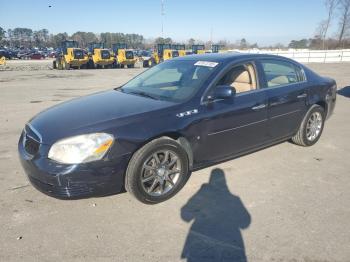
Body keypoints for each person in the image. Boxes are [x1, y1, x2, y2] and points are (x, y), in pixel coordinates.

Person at [181, 168, 251, 262]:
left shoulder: (201, 196)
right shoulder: (234, 200)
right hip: (229, 249)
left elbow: (185, 215)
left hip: (202, 248)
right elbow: (245, 223)